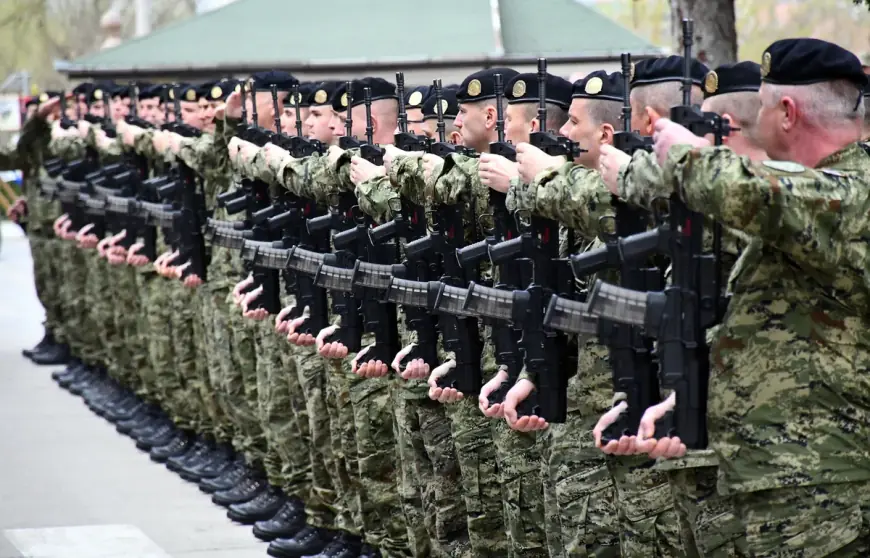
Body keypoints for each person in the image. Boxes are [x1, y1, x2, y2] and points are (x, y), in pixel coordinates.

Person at [630, 38, 870, 556]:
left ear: (787, 112)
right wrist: (691, 403)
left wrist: (685, 156)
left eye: (759, 105)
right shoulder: (815, 199)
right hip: (785, 476)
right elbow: (784, 332)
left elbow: (758, 193)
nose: (753, 119)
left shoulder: (852, 192)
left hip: (827, 487)